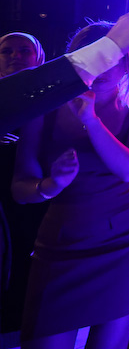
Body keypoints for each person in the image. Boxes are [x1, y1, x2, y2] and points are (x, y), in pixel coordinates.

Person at [13, 22, 129, 348]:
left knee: (109, 344)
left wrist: (91, 120)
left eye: (112, 57)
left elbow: (128, 169)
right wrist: (49, 186)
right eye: (93, 57)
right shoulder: (45, 111)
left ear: (127, 62)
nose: (103, 68)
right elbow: (20, 186)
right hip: (63, 240)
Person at [0, 0, 129, 136]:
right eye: (6, 51)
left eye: (113, 61)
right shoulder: (47, 108)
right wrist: (106, 50)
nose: (16, 56)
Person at [0, 33, 47, 338]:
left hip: (37, 192)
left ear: (38, 57)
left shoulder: (49, 96)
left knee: (29, 258)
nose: (16, 55)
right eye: (7, 51)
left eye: (24, 50)